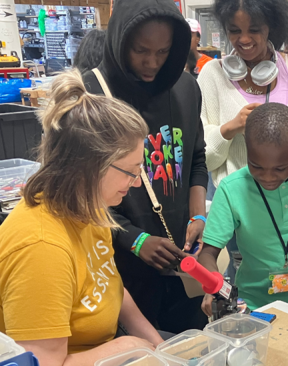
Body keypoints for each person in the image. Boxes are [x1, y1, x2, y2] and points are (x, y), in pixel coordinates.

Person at [0, 70, 164, 366]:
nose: (136, 182)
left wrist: (158, 344)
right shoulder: (42, 246)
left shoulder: (88, 208)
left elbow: (109, 284)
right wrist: (128, 347)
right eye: (131, 171)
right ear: (90, 166)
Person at [84, 0, 209, 334]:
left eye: (164, 51)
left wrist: (198, 216)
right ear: (120, 39)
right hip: (121, 265)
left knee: (191, 349)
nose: (152, 62)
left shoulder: (185, 88)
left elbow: (196, 158)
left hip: (181, 261)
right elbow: (79, 191)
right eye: (141, 50)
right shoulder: (91, 94)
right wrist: (134, 240)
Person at [198, 0, 288, 282]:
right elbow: (202, 159)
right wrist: (229, 129)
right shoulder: (212, 76)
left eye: (254, 29)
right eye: (234, 30)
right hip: (244, 218)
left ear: (272, 27)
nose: (244, 39)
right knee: (247, 294)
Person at [200, 103, 288, 314]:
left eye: (280, 168)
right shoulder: (231, 189)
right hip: (253, 306)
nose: (268, 177)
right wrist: (212, 285)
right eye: (256, 166)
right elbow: (207, 253)